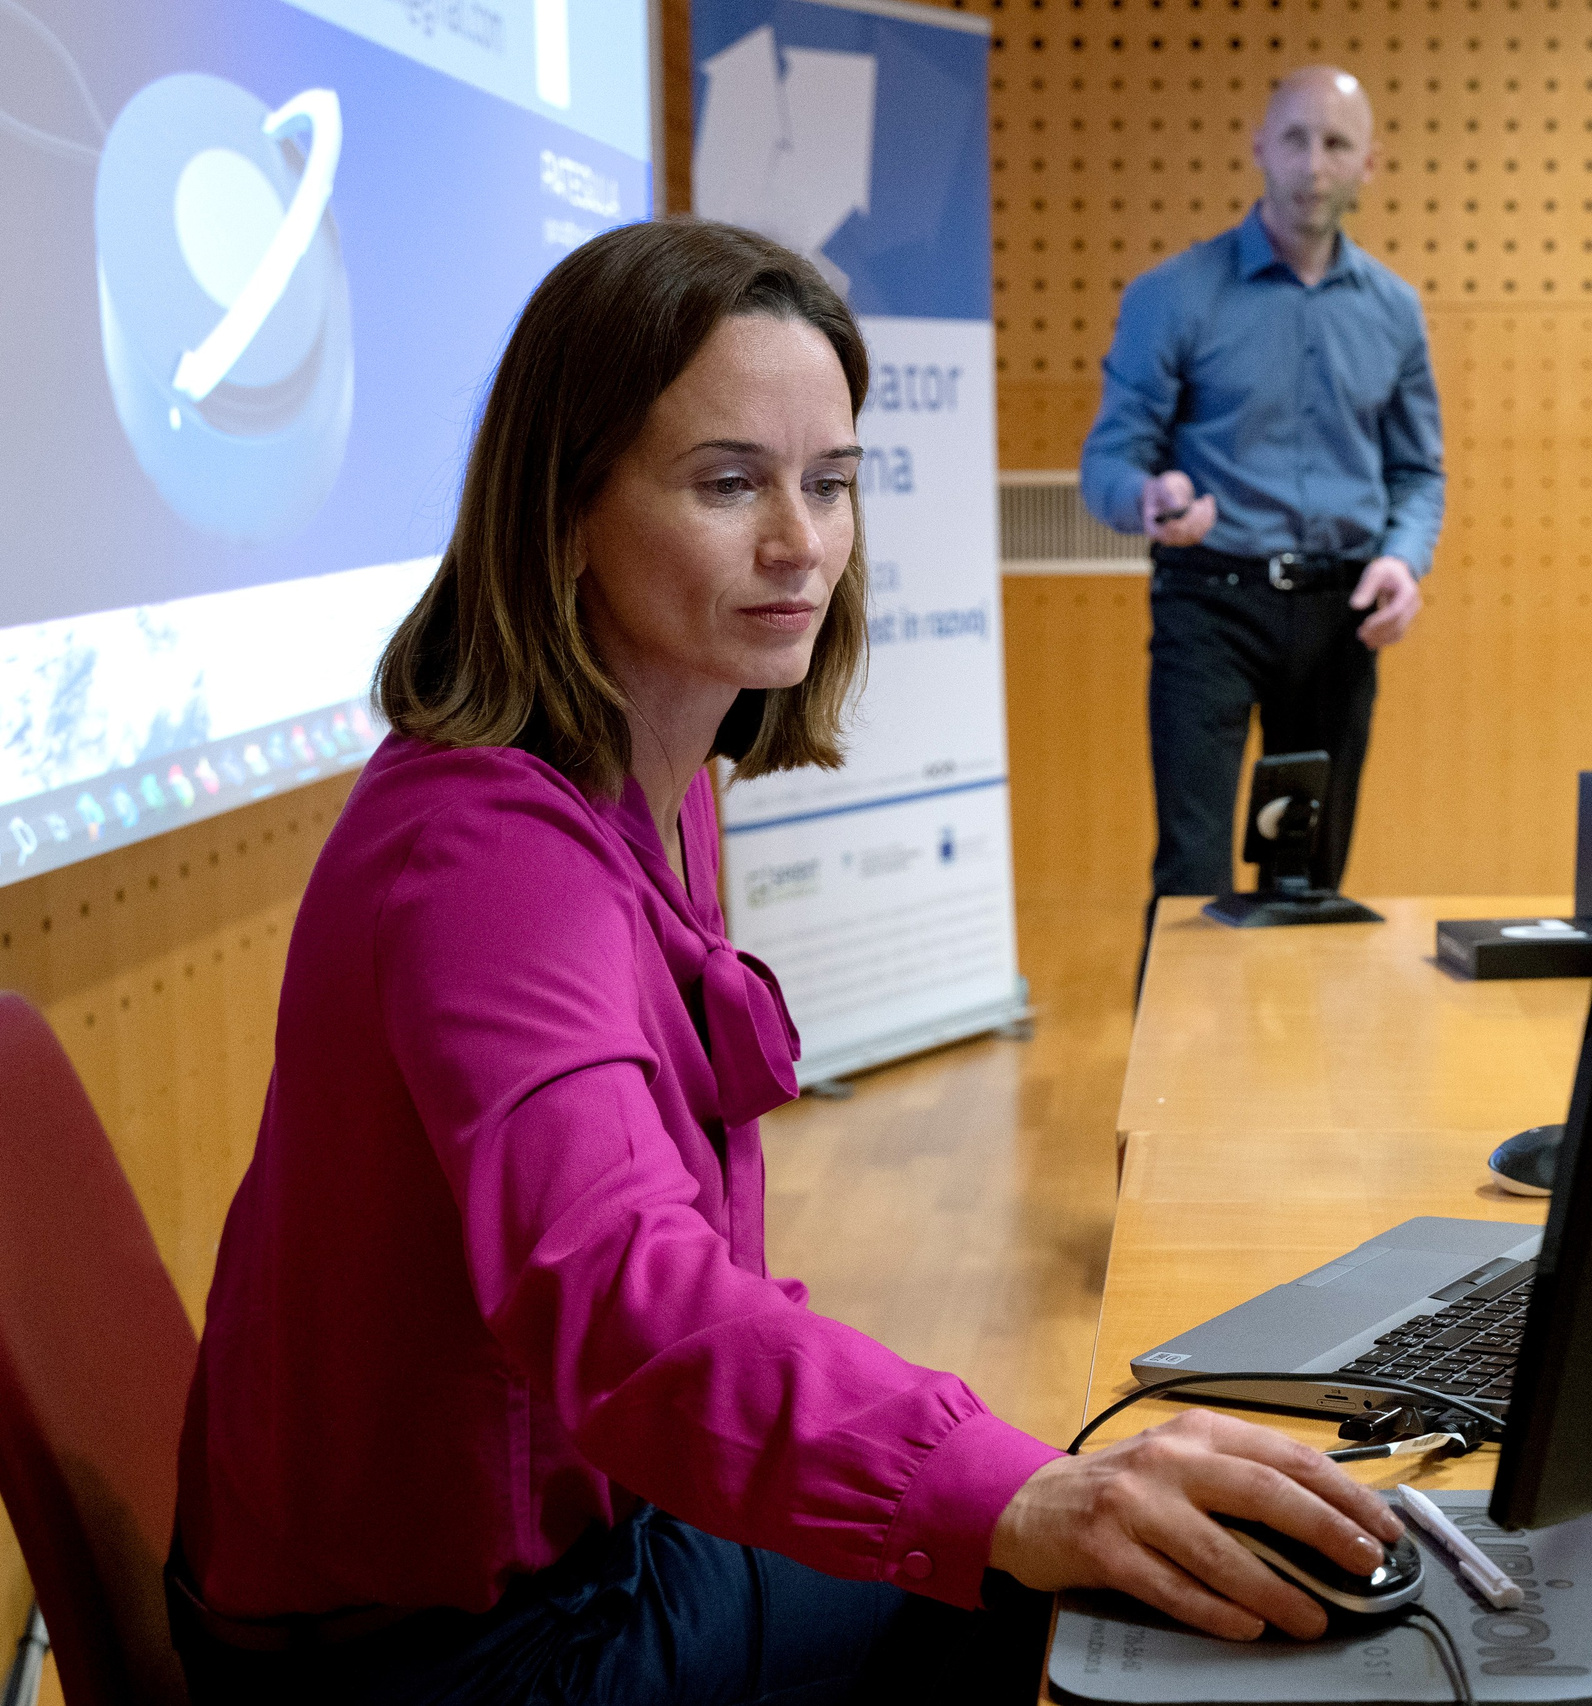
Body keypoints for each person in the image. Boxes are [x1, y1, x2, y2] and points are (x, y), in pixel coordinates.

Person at [168, 220, 1403, 1705]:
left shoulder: (655, 754)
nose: (800, 541)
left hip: (581, 1543)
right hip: (433, 1653)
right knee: (1054, 1588)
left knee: (1052, 1545)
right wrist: (1017, 1493)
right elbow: (625, 1290)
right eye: (729, 481)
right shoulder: (483, 860)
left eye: (830, 483)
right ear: (563, 505)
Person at [1080, 66, 1445, 910]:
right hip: (1210, 603)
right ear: (1259, 148)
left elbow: (1418, 472)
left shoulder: (1395, 310)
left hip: (1342, 612)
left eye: (1336, 144)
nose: (1313, 164)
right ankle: (1176, 1048)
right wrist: (1150, 498)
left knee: (1310, 876)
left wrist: (1403, 560)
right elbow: (1106, 462)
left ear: (1369, 163)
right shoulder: (1170, 297)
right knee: (1192, 876)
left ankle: (1297, 1049)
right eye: (1295, 139)